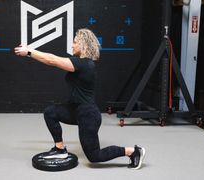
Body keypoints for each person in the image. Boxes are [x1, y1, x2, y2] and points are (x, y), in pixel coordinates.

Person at [14, 28, 145, 169]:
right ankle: (59, 149)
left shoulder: (85, 64)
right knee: (50, 112)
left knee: (95, 157)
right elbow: (50, 60)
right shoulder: (81, 63)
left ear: (83, 45)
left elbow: (51, 60)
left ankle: (133, 151)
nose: (72, 45)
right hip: (76, 111)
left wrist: (29, 52)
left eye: (75, 42)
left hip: (88, 115)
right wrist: (30, 52)